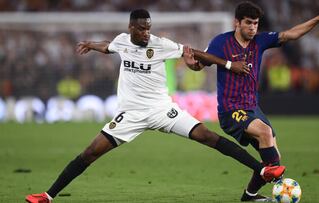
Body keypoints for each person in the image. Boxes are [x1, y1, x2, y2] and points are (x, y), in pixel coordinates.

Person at [25, 9, 285, 203]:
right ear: (131, 28)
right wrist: (92, 45)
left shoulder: (161, 45)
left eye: (149, 28)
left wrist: (227, 65)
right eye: (141, 29)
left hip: (163, 110)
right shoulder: (122, 41)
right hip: (131, 114)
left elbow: (196, 52)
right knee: (90, 152)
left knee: (207, 136)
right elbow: (110, 47)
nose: (146, 33)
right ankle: (48, 196)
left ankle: (262, 169)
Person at [184, 1, 319, 202]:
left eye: (256, 23)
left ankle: (250, 195)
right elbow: (200, 64)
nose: (252, 27)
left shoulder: (260, 41)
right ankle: (282, 186)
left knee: (273, 155)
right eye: (249, 23)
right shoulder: (220, 43)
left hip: (252, 108)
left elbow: (290, 34)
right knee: (265, 132)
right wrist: (192, 65)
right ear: (237, 23)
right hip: (230, 109)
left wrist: (317, 20)